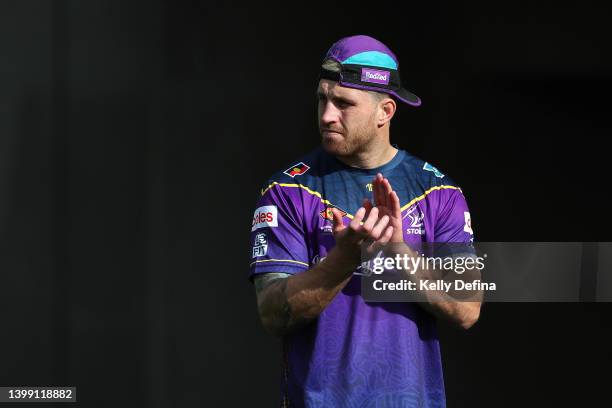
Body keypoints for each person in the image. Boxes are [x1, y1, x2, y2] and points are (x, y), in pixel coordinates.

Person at [248, 34, 481, 407]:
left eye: (343, 103)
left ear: (385, 112)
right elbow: (272, 313)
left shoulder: (438, 191)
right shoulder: (287, 190)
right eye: (322, 99)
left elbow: (468, 308)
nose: (326, 115)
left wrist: (398, 251)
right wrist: (345, 258)